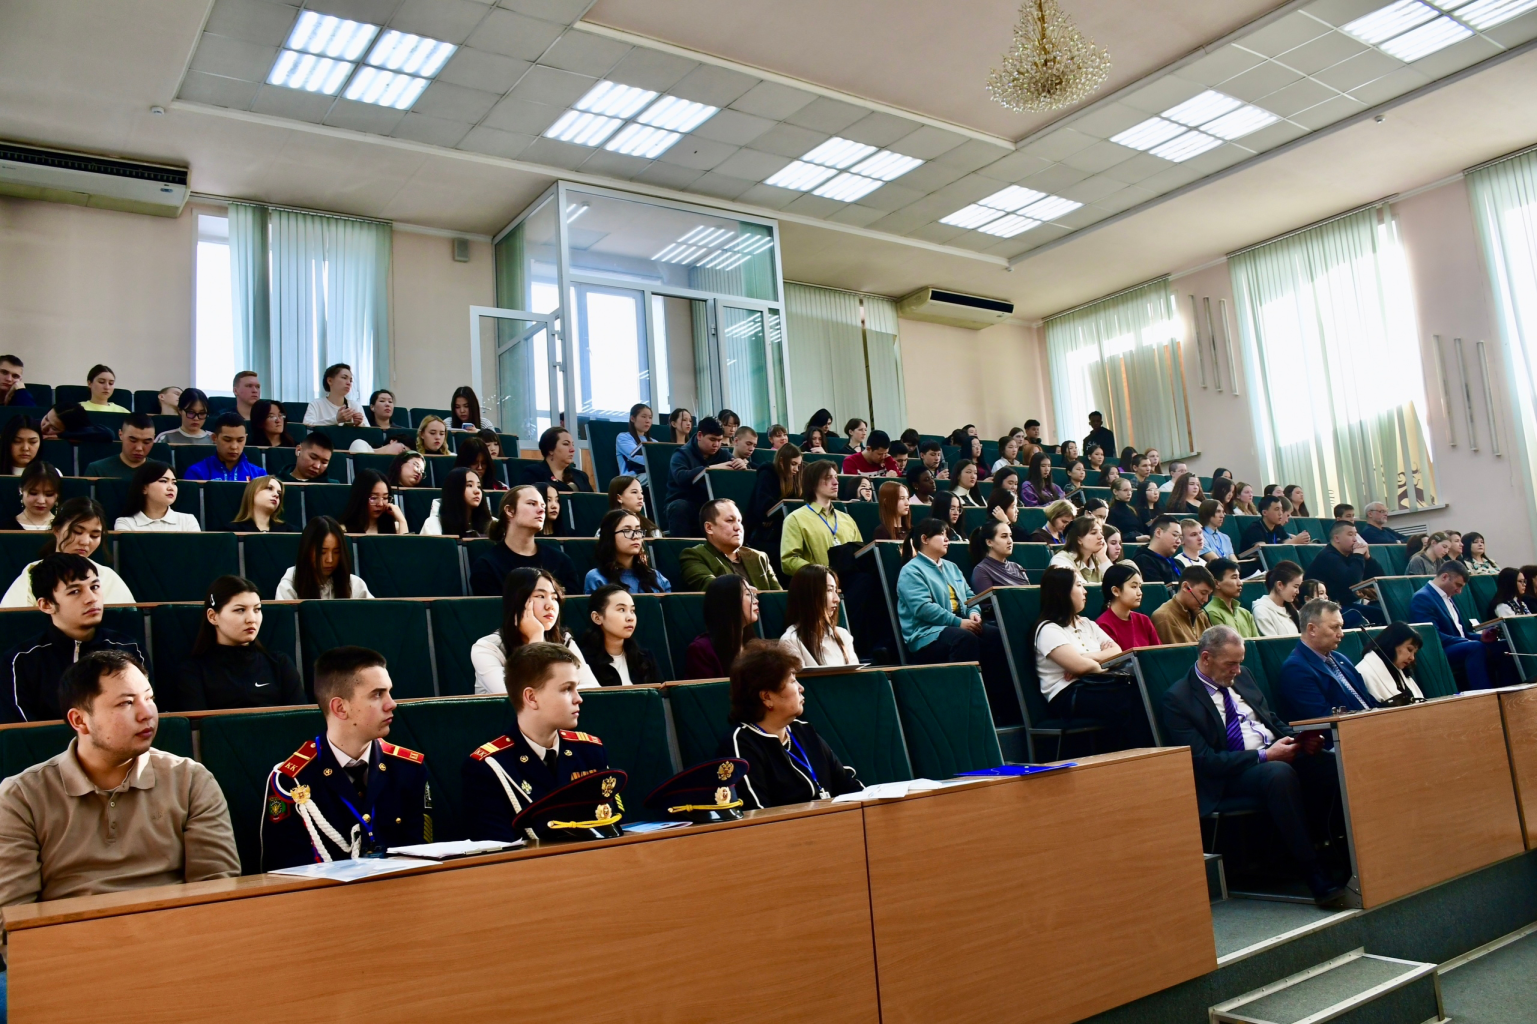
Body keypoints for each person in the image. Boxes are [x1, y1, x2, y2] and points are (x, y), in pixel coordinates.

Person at [0, 648, 239, 909]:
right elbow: (12, 913)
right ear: (79, 720)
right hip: (71, 932)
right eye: (126, 703)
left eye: (149, 698)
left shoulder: (190, 780)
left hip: (174, 927)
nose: (147, 713)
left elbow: (217, 890)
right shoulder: (21, 797)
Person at [1160, 626, 1346, 906]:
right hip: (1231, 774)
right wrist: (1265, 756)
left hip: (1273, 753)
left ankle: (1346, 857)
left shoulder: (1243, 675)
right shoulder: (1178, 698)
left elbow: (1269, 719)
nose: (1237, 670)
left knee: (1332, 763)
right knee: (1278, 773)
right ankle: (1313, 872)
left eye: (1240, 662)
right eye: (1230, 664)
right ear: (1206, 658)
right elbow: (1204, 761)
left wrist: (1299, 739)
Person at [261, 646, 429, 868]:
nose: (392, 704)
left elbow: (421, 854)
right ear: (340, 708)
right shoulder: (292, 780)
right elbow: (284, 869)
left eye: (389, 692)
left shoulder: (408, 768)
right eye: (377, 694)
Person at [462, 642, 610, 841]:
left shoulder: (590, 751)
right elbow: (498, 850)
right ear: (531, 697)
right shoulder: (489, 767)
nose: (578, 699)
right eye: (567, 689)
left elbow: (610, 822)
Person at [0, 555, 149, 722]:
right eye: (75, 591)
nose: (92, 598)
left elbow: (143, 714)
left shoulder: (129, 650)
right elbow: (21, 731)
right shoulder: (19, 661)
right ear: (46, 605)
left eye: (95, 587)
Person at [718, 641, 863, 807]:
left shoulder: (804, 731)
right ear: (767, 697)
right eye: (793, 681)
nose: (801, 688)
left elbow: (850, 787)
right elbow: (757, 814)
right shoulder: (741, 744)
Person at [1033, 565, 1151, 751]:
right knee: (1131, 699)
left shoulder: (1087, 623)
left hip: (1095, 683)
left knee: (1144, 692)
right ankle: (1140, 758)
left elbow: (1117, 651)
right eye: (1079, 585)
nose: (1085, 591)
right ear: (1062, 591)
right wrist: (1099, 665)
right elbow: (1079, 667)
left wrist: (1086, 659)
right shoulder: (1048, 629)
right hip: (1069, 694)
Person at [175, 576, 305, 710]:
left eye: (257, 609)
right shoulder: (193, 672)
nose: (252, 619)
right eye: (240, 610)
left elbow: (302, 718)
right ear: (213, 616)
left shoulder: (280, 664)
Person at [471, 567, 595, 693]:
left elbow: (592, 688)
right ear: (517, 601)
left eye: (554, 598)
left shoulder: (563, 639)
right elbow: (518, 696)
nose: (550, 606)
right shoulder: (486, 648)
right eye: (540, 596)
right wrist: (536, 638)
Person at [1, 498, 135, 607]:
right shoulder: (33, 574)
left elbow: (126, 622)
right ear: (56, 530)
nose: (85, 542)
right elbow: (13, 623)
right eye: (77, 532)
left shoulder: (109, 578)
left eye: (94, 535)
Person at [1275, 600, 1378, 724]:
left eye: (1341, 627)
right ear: (1312, 629)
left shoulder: (1340, 658)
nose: (1341, 634)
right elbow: (1325, 721)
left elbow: (1368, 700)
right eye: (1334, 627)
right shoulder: (1296, 669)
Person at [470, 484, 579, 596]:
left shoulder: (561, 561)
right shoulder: (487, 566)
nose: (542, 510)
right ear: (510, 511)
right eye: (532, 504)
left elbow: (571, 604)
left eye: (543, 506)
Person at [1409, 561, 1500, 690]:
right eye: (1458, 585)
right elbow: (1432, 636)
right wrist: (1468, 641)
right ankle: (1485, 695)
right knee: (1475, 647)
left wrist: (1481, 637)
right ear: (1445, 577)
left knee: (1502, 646)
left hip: (1457, 645)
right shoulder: (1423, 597)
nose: (1459, 591)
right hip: (1440, 650)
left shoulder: (1448, 597)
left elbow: (1461, 633)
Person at [781, 460, 861, 576]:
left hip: (850, 582)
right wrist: (822, 573)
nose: (836, 482)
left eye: (836, 477)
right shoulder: (795, 519)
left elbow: (860, 554)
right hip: (818, 583)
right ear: (813, 483)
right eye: (828, 478)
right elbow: (789, 561)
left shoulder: (847, 519)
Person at [679, 498, 780, 592]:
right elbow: (710, 586)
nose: (738, 527)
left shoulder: (759, 557)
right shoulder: (694, 555)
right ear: (709, 528)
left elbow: (778, 598)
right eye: (730, 521)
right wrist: (744, 591)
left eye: (739, 521)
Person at [666, 416, 743, 537]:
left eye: (719, 440)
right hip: (688, 502)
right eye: (712, 439)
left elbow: (740, 473)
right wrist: (710, 469)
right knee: (679, 507)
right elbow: (681, 477)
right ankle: (682, 548)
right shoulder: (681, 454)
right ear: (700, 435)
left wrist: (741, 465)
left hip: (714, 504)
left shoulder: (724, 454)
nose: (716, 444)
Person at [577, 584, 662, 688]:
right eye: (621, 610)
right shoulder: (583, 662)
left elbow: (661, 695)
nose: (630, 618)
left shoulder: (645, 658)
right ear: (597, 618)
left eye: (632, 611)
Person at [1304, 520, 1386, 626]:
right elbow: (1352, 582)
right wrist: (1358, 556)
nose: (1355, 539)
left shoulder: (1350, 555)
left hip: (1345, 604)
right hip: (1325, 608)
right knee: (1357, 617)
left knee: (1382, 613)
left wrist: (1367, 558)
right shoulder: (1328, 556)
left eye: (1355, 534)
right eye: (1350, 534)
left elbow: (1379, 577)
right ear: (1337, 538)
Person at [776, 564, 857, 668]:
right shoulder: (790, 641)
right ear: (808, 595)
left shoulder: (843, 635)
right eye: (829, 590)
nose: (837, 599)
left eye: (835, 591)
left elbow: (855, 676)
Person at [276, 516, 374, 600]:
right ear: (307, 550)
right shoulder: (291, 583)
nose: (330, 560)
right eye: (322, 552)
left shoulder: (354, 584)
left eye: (336, 552)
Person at [684, 574, 759, 678]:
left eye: (753, 595)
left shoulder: (754, 645)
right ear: (729, 602)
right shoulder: (701, 650)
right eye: (748, 594)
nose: (756, 601)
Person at [585, 509, 671, 594]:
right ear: (609, 536)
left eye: (638, 531)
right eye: (627, 531)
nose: (636, 536)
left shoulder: (656, 577)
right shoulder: (597, 578)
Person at [114, 461, 200, 533]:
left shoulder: (188, 521)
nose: (171, 488)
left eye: (174, 483)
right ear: (144, 488)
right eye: (163, 481)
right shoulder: (125, 523)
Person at [1355, 621, 1425, 706]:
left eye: (1414, 653)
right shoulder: (1363, 672)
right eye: (1409, 650)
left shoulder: (1398, 669)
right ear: (1392, 644)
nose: (1412, 658)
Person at [182, 412, 266, 482]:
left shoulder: (259, 475)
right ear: (214, 438)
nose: (234, 447)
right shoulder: (196, 473)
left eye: (240, 440)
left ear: (246, 438)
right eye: (227, 440)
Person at [1095, 563, 1160, 649]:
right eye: (1134, 586)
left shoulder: (1144, 620)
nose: (1140, 593)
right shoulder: (1103, 625)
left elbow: (1158, 652)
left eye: (1140, 587)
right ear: (1115, 591)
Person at [1151, 565, 1215, 644]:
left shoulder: (1201, 615)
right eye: (1203, 593)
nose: (1206, 599)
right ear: (1185, 586)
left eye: (1208, 594)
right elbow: (1179, 652)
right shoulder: (1164, 617)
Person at [82, 413, 157, 479]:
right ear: (121, 434)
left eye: (146, 442)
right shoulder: (97, 469)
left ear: (153, 439)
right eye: (133, 440)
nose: (139, 448)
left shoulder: (161, 472)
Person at [421, 467, 491, 537]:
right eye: (469, 485)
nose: (477, 491)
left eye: (479, 486)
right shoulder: (433, 524)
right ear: (454, 490)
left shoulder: (491, 523)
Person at [336, 468, 409, 535]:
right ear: (360, 498)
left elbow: (404, 545)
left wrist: (402, 521)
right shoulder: (343, 530)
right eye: (374, 498)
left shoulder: (396, 528)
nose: (380, 504)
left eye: (385, 498)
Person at [970, 519, 1030, 593]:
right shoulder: (981, 570)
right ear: (989, 542)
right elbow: (988, 600)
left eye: (1010, 536)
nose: (1010, 541)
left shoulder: (1017, 567)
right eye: (1004, 536)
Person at [1204, 558, 1258, 638]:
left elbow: (1257, 643)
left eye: (1239, 577)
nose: (1240, 583)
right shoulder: (1210, 613)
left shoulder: (1245, 613)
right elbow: (1225, 644)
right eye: (1234, 577)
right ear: (1216, 583)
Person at [1049, 516, 1112, 582]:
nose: (1101, 537)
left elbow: (1116, 583)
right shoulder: (1060, 560)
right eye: (1093, 533)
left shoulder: (1098, 560)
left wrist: (1102, 556)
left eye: (1101, 533)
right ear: (1079, 540)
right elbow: (1079, 585)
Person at [1240, 494, 1311, 552]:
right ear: (1265, 512)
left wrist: (1301, 540)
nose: (1280, 513)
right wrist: (1295, 541)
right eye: (1277, 509)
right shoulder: (1255, 529)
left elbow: (1287, 542)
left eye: (1281, 509)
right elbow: (1265, 551)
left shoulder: (1278, 527)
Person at [1253, 560, 1304, 638]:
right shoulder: (1261, 611)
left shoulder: (1292, 609)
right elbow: (1274, 643)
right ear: (1280, 585)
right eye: (1295, 586)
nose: (1298, 592)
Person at [1133, 515, 1183, 586]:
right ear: (1158, 532)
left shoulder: (1178, 563)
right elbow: (1157, 591)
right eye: (1175, 535)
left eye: (1180, 537)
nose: (1179, 541)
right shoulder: (1143, 560)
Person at [12, 460, 61, 531]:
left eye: (49, 494)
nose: (41, 501)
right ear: (21, 490)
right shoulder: (3, 526)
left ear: (57, 495)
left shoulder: (64, 527)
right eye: (33, 493)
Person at [617, 402, 653, 482]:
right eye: (644, 417)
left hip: (649, 474)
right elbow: (635, 457)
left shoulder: (653, 441)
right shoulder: (623, 437)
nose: (647, 421)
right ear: (632, 418)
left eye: (650, 417)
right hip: (629, 478)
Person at [1107, 477, 1147, 541]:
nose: (1129, 493)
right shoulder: (1111, 511)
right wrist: (1135, 539)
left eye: (1131, 490)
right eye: (1125, 490)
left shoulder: (1133, 510)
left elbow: (1142, 530)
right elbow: (1112, 536)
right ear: (1115, 491)